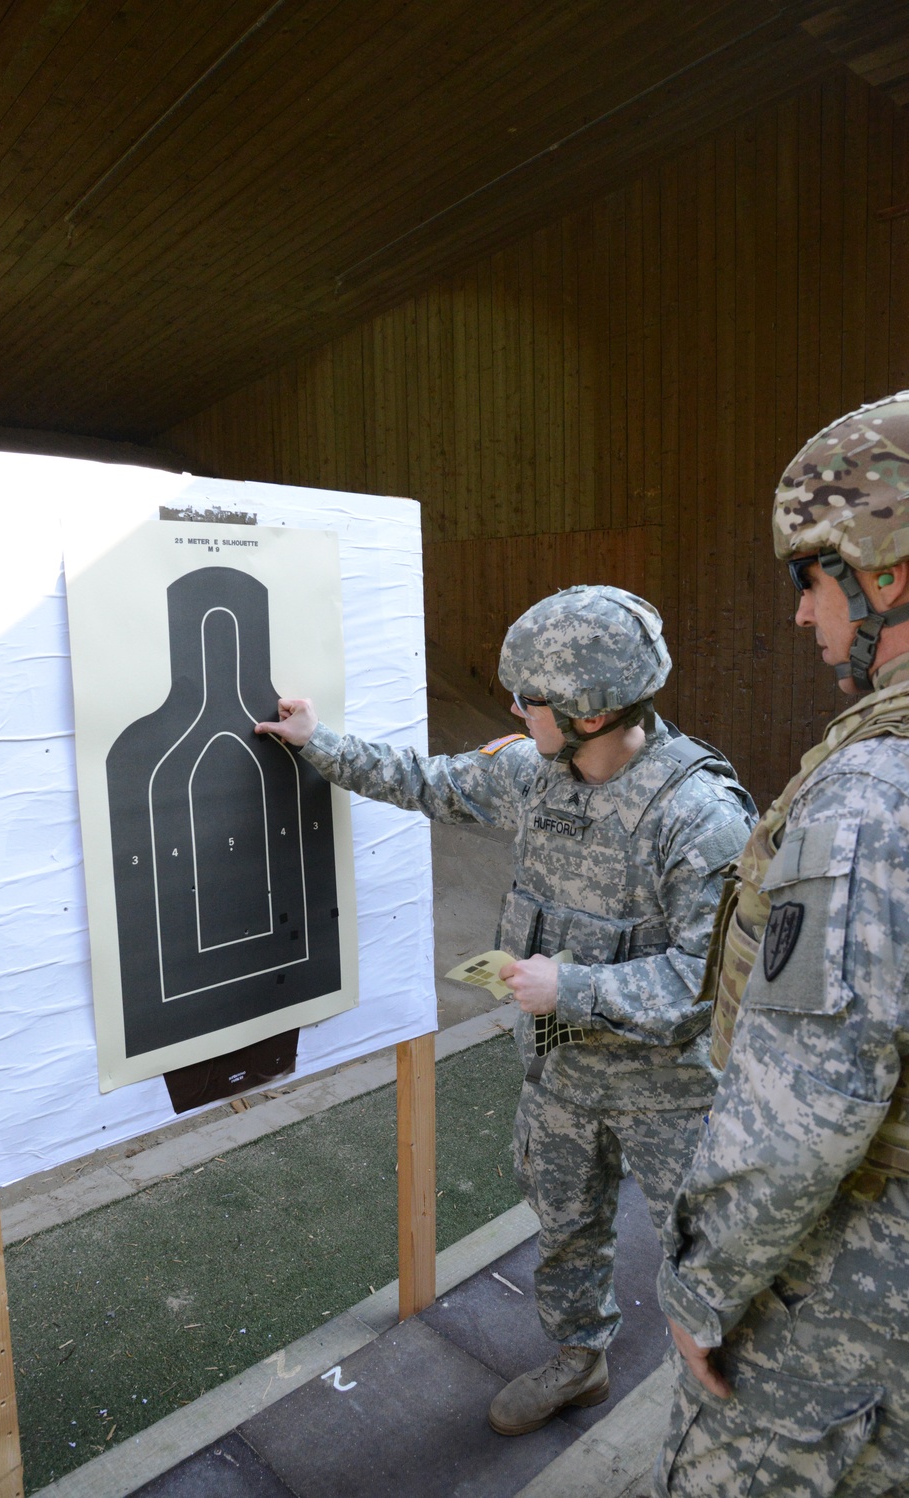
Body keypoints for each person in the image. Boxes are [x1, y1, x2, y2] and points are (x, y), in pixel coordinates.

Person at [256, 584, 754, 1434]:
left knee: (708, 1253)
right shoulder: (535, 772)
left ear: (589, 714)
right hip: (560, 1072)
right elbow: (430, 781)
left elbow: (703, 985)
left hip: (669, 1090)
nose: (515, 709)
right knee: (563, 1226)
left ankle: (729, 1400)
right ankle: (579, 1361)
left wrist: (573, 989)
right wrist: (319, 745)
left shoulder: (700, 816)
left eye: (529, 699)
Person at [656, 392, 909, 1497]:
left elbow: (804, 1118)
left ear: (884, 570)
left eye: (811, 579)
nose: (805, 618)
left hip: (849, 1309)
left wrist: (700, 1289)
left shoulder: (867, 797)